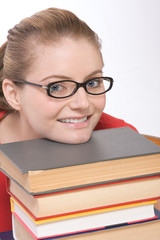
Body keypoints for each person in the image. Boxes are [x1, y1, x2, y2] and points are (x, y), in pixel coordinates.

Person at [0, 7, 137, 234]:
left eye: (92, 83)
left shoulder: (124, 140)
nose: (82, 103)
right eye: (57, 87)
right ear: (14, 95)